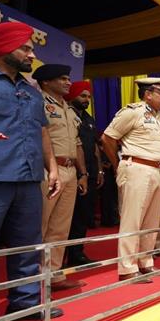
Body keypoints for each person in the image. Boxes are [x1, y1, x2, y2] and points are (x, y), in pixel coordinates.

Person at [0, 22, 63, 320]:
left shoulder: (31, 91)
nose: (31, 55)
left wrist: (53, 168)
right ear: (2, 48)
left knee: (27, 244)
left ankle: (25, 302)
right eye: (25, 48)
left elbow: (42, 132)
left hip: (28, 176)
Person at [101, 77, 160, 283]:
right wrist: (117, 164)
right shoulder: (132, 112)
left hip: (158, 171)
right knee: (132, 220)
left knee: (151, 221)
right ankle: (127, 268)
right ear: (148, 94)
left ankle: (145, 262)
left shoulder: (159, 117)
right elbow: (107, 138)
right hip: (137, 168)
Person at [34, 64, 89, 290]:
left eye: (68, 78)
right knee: (41, 226)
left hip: (70, 170)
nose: (68, 83)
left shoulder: (68, 109)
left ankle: (53, 275)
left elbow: (77, 144)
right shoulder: (38, 103)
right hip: (48, 169)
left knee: (60, 227)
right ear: (46, 82)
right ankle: (33, 280)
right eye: (63, 79)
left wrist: (83, 173)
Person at [65, 80, 103, 267]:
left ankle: (76, 254)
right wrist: (82, 173)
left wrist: (100, 169)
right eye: (83, 96)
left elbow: (95, 146)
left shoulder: (89, 119)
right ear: (72, 95)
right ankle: (62, 257)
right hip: (72, 171)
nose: (87, 100)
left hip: (90, 172)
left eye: (89, 97)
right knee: (68, 217)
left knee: (83, 215)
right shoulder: (66, 114)